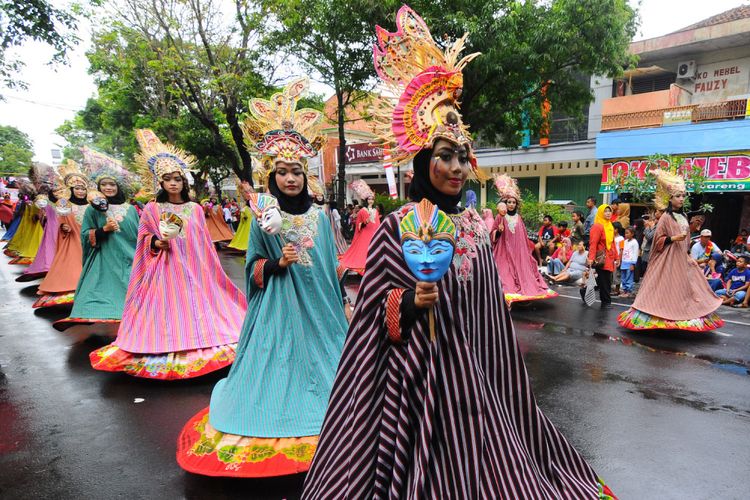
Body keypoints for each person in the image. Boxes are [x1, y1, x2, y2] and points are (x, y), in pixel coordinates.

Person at [303, 8, 615, 498]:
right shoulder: (396, 226)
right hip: (418, 372)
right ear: (424, 161)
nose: (456, 167)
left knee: (490, 458)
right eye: (444, 156)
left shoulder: (473, 222)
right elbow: (371, 308)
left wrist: (498, 367)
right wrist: (408, 303)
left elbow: (488, 306)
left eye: (463, 157)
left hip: (476, 367)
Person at [177, 77, 348, 477]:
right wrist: (277, 264)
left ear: (307, 177)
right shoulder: (262, 216)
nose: (291, 179)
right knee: (278, 366)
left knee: (330, 366)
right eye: (283, 172)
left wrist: (340, 299)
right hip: (279, 307)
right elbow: (253, 266)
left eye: (298, 172)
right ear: (272, 175)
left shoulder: (320, 216)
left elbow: (327, 263)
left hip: (320, 309)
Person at [90, 129, 246, 379]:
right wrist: (154, 242)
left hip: (193, 268)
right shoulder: (152, 208)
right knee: (166, 309)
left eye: (178, 178)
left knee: (198, 306)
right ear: (159, 182)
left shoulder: (195, 209)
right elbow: (143, 237)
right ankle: (162, 342)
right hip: (164, 268)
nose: (173, 182)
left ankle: (201, 337)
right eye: (168, 178)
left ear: (184, 182)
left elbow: (203, 242)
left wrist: (208, 268)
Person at [618, 170, 723, 332]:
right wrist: (674, 239)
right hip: (667, 258)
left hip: (681, 257)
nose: (681, 198)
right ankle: (659, 315)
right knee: (665, 287)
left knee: (686, 287)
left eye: (683, 195)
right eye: (678, 196)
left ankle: (682, 315)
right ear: (670, 199)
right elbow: (658, 239)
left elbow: (686, 238)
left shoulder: (684, 216)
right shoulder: (666, 217)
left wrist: (687, 251)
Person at [53, 155, 140, 333]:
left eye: (112, 184)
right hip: (104, 258)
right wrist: (103, 230)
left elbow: (138, 234)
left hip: (128, 257)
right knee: (97, 290)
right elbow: (85, 234)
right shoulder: (93, 209)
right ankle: (94, 313)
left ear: (118, 187)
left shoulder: (130, 209)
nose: (108, 188)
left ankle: (134, 319)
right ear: (98, 188)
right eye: (104, 185)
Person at [492, 174, 557, 303]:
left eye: (513, 202)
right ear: (505, 203)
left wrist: (523, 253)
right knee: (505, 274)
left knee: (525, 273)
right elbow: (493, 235)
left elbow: (522, 237)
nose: (511, 205)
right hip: (503, 252)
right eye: (509, 202)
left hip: (518, 252)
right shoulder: (500, 217)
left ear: (516, 205)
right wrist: (499, 232)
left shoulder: (519, 218)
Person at [33, 161, 90, 308]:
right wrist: (63, 227)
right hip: (73, 240)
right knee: (74, 266)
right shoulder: (65, 204)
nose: (81, 191)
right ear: (71, 189)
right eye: (77, 188)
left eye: (83, 188)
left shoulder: (92, 205)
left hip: (91, 241)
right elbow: (60, 221)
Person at [338, 180, 381, 274]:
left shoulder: (375, 211)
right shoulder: (362, 211)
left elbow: (377, 223)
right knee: (364, 250)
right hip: (365, 233)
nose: (371, 201)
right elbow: (358, 224)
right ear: (366, 200)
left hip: (374, 233)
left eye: (372, 199)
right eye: (369, 199)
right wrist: (366, 221)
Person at [587, 205, 619, 308]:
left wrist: (617, 257)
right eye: (605, 211)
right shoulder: (597, 226)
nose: (608, 213)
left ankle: (584, 292)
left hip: (609, 257)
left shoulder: (610, 225)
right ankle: (606, 302)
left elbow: (612, 243)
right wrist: (591, 258)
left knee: (604, 279)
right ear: (601, 213)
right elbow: (593, 243)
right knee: (605, 280)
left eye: (609, 211)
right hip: (601, 257)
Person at [619, 227, 639, 298]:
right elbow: (622, 251)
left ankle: (629, 291)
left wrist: (633, 264)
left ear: (632, 234)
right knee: (623, 277)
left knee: (629, 277)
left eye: (627, 233)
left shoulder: (635, 242)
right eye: (625, 233)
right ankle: (625, 290)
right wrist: (620, 260)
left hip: (630, 263)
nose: (626, 234)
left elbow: (635, 253)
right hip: (624, 262)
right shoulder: (624, 241)